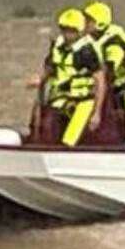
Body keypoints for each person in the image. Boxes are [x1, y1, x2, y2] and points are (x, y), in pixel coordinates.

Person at [42, 8, 107, 146]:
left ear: (79, 31)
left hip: (83, 101)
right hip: (61, 98)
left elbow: (100, 81)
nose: (67, 34)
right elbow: (50, 68)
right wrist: (40, 79)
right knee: (48, 131)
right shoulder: (58, 46)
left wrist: (97, 113)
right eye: (64, 29)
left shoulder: (87, 51)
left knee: (70, 138)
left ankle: (68, 151)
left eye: (71, 30)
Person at [83, 0, 125, 133]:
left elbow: (110, 66)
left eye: (89, 21)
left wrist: (98, 74)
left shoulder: (114, 41)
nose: (85, 24)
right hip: (95, 84)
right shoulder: (88, 40)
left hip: (117, 85)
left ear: (99, 22)